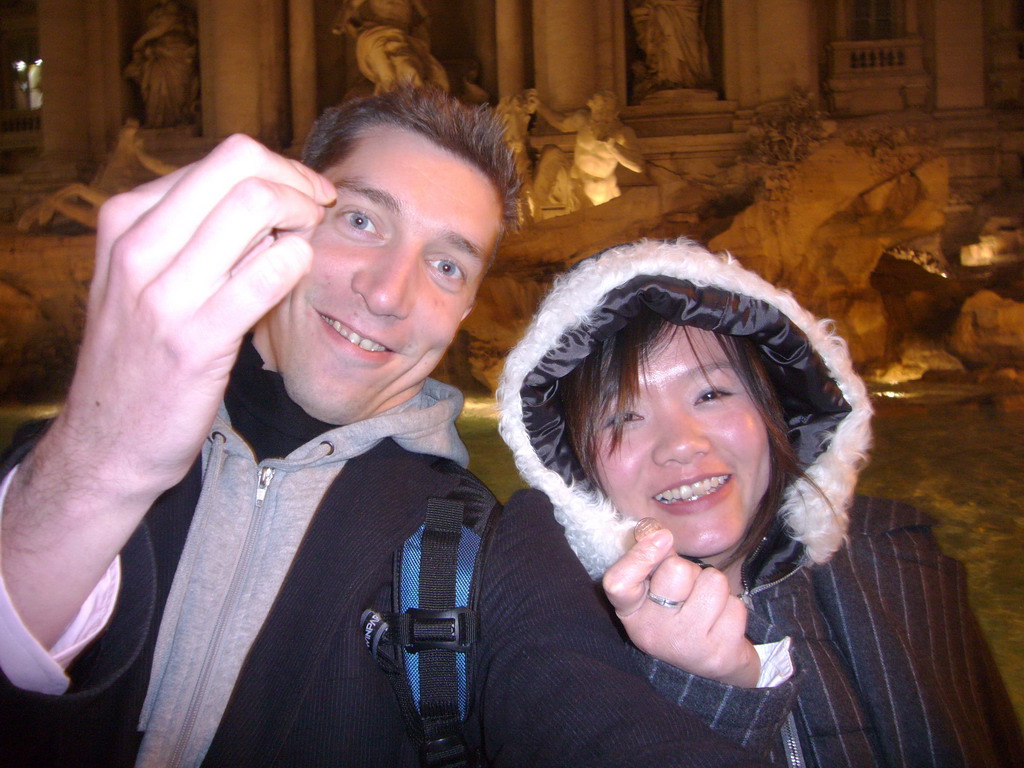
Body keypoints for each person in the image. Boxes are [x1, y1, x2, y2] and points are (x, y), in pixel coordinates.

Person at [0, 89, 767, 767]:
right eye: (362, 220)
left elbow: (597, 717)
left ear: (465, 308)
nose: (387, 292)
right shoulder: (53, 468)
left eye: (446, 267)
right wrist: (103, 461)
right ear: (278, 226)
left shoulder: (489, 549)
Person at [498, 238, 1024, 766]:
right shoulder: (555, 645)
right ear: (571, 463)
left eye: (710, 394)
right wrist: (712, 691)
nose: (680, 444)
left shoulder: (907, 563)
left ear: (774, 407)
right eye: (620, 417)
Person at [526, 88, 643, 209]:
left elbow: (637, 165)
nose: (602, 116)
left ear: (615, 114)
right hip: (572, 181)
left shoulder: (622, 133)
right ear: (592, 107)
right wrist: (539, 106)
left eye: (607, 113)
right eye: (599, 111)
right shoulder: (583, 120)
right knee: (551, 152)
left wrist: (612, 145)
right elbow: (560, 122)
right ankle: (534, 207)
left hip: (599, 191)